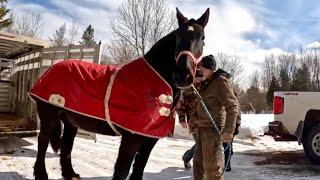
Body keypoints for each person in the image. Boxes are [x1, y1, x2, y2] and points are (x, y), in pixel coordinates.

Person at [191, 55, 239, 180]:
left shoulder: (220, 82)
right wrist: (193, 122)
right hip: (202, 128)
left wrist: (229, 131)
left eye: (202, 68)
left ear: (210, 68)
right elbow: (200, 104)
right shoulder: (206, 82)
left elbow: (233, 106)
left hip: (212, 129)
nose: (200, 70)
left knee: (211, 167)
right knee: (197, 164)